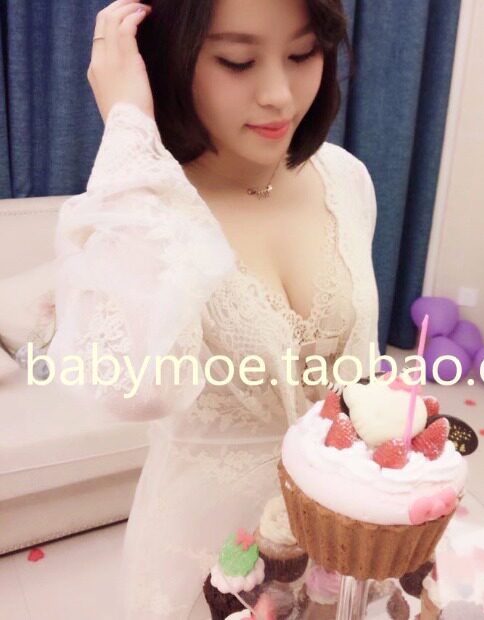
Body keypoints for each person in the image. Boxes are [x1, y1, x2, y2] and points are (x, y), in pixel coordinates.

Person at [47, 0, 380, 617]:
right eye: (237, 61)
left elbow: (361, 375)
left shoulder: (345, 179)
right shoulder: (144, 212)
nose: (279, 95)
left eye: (302, 53)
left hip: (338, 539)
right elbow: (133, 388)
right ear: (170, 60)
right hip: (204, 550)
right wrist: (129, 127)